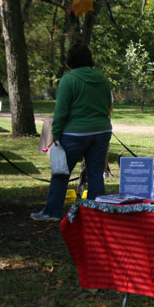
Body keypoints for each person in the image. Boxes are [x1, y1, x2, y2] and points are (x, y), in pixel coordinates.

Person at [31, 43, 112, 221]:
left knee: (61, 172)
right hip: (101, 130)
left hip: (75, 133)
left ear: (70, 60)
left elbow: (61, 111)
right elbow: (108, 106)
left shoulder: (69, 80)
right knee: (96, 174)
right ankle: (97, 214)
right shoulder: (103, 80)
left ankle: (52, 212)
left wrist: (56, 135)